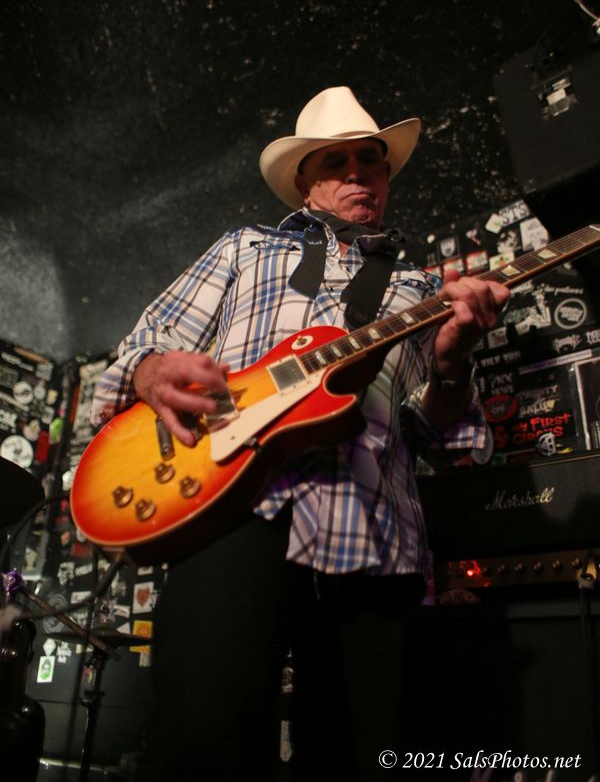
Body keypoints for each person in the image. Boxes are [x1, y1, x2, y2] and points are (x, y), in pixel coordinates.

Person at [91, 86, 510, 781]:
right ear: (305, 184)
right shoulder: (244, 249)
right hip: (228, 508)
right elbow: (146, 342)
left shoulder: (421, 292)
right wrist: (153, 371)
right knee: (202, 740)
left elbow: (438, 437)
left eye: (371, 162)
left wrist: (452, 363)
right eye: (337, 162)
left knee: (363, 756)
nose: (359, 174)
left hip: (373, 534)